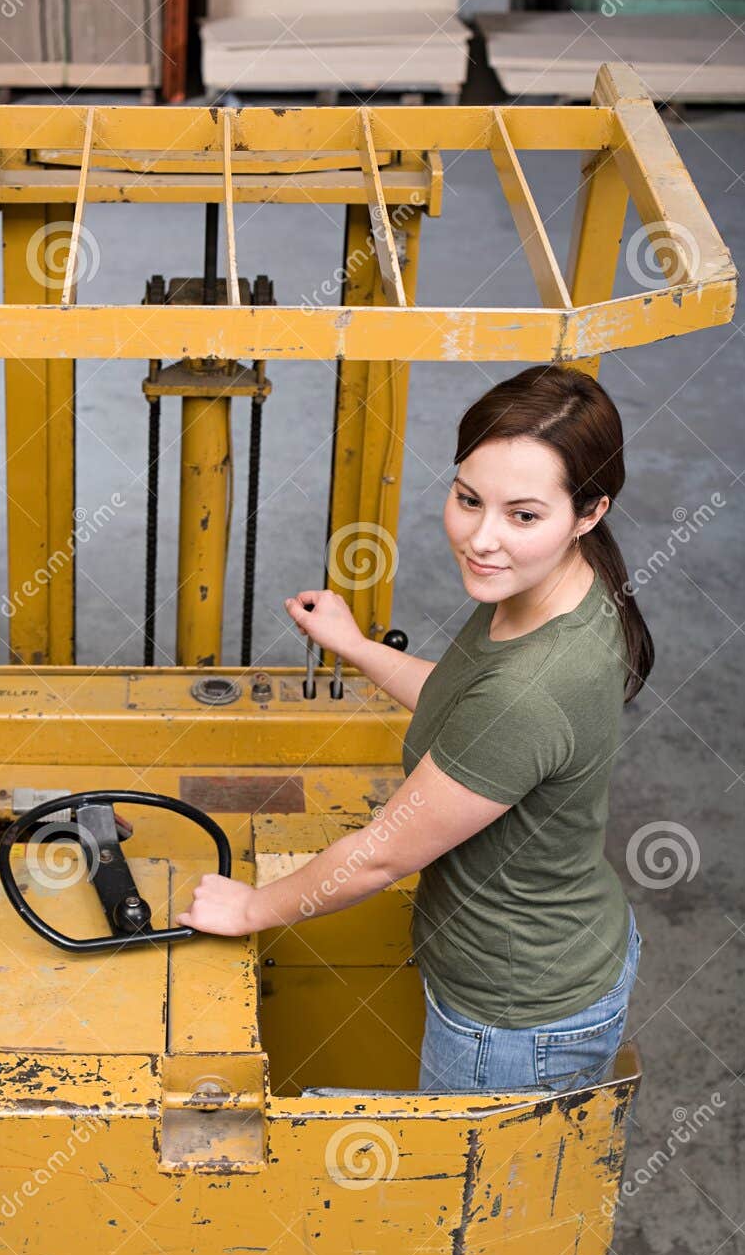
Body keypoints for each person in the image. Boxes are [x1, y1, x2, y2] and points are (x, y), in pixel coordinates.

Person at [177, 364, 651, 1093]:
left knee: (468, 1208)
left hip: (513, 1017)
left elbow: (376, 858)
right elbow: (466, 706)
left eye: (522, 516)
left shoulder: (533, 686)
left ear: (588, 512)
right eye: (467, 499)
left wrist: (249, 907)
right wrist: (360, 648)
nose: (481, 539)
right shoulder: (559, 584)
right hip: (558, 956)